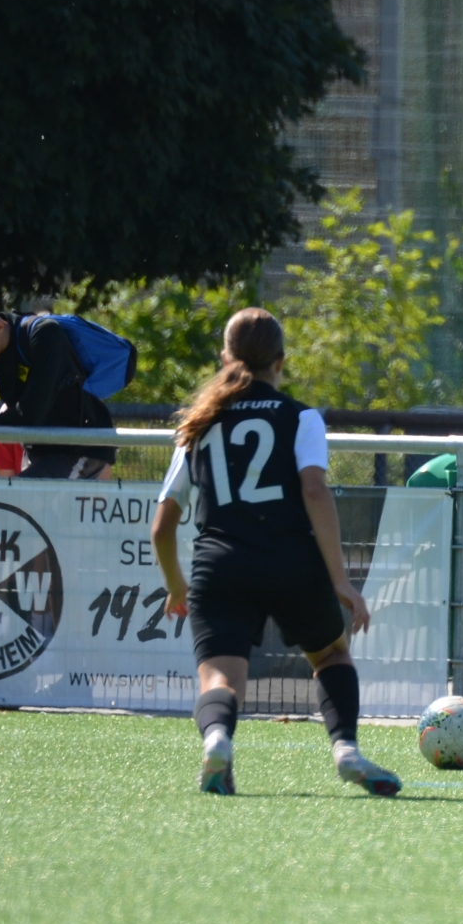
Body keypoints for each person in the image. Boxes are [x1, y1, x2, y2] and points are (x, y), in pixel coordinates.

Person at [151, 308, 400, 797]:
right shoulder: (300, 416)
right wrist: (340, 580)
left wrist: (177, 585)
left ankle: (219, 739)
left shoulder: (197, 426)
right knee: (330, 655)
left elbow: (162, 526)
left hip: (220, 564)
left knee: (221, 676)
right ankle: (345, 748)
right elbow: (313, 492)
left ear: (225, 357)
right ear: (280, 362)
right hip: (292, 561)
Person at [0, 292, 117, 479]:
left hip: (83, 449)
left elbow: (30, 415)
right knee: (16, 501)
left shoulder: (45, 334)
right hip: (40, 451)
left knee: (16, 499)